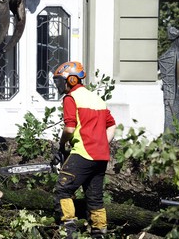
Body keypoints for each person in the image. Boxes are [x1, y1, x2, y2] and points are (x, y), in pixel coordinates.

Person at [51, 61, 116, 239]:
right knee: (94, 197)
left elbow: (69, 128)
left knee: (63, 189)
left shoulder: (71, 98)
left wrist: (62, 144)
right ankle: (99, 233)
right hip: (101, 156)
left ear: (71, 80)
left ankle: (69, 231)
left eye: (59, 81)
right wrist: (103, 143)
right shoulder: (97, 99)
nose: (58, 85)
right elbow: (112, 125)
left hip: (83, 153)